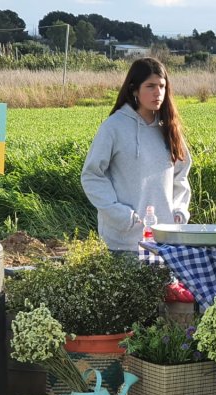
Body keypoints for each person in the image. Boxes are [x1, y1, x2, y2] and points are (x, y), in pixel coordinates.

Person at [81, 57, 192, 253]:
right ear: (134, 90)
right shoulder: (113, 127)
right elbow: (92, 175)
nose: (158, 92)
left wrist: (179, 211)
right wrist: (123, 217)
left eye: (162, 86)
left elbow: (180, 175)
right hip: (124, 243)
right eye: (150, 86)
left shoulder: (169, 129)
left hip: (166, 241)